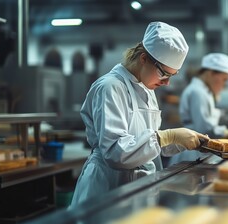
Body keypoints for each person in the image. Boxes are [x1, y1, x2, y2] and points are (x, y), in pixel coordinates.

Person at [70, 22, 209, 207]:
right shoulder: (110, 87)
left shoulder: (146, 90)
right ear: (143, 58)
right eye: (163, 74)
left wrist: (181, 141)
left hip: (138, 187)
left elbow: (147, 145)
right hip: (108, 184)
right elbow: (115, 153)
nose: (167, 83)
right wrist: (166, 136)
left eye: (172, 76)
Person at [168, 53, 228, 166]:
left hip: (197, 150)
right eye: (224, 79)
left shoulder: (204, 92)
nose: (224, 85)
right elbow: (204, 128)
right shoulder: (198, 92)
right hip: (191, 151)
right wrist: (227, 132)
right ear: (211, 73)